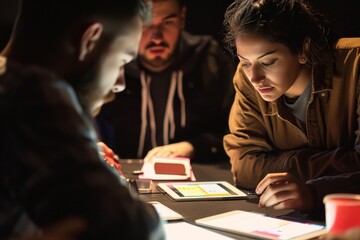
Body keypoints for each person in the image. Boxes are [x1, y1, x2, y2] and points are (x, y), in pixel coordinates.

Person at [0, 0, 165, 239]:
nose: (120, 84)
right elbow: (133, 227)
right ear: (89, 40)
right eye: (121, 61)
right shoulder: (31, 92)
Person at [222, 0, 360, 190]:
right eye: (245, 62)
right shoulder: (246, 80)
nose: (254, 78)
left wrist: (311, 190)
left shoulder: (356, 65)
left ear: (303, 49)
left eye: (268, 62)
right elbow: (244, 166)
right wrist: (343, 162)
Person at [96, 0, 235, 162]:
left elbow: (238, 133)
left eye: (168, 22)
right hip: (118, 174)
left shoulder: (209, 59)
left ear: (182, 18)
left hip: (195, 176)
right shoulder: (112, 62)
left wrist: (194, 147)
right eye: (146, 24)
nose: (156, 38)